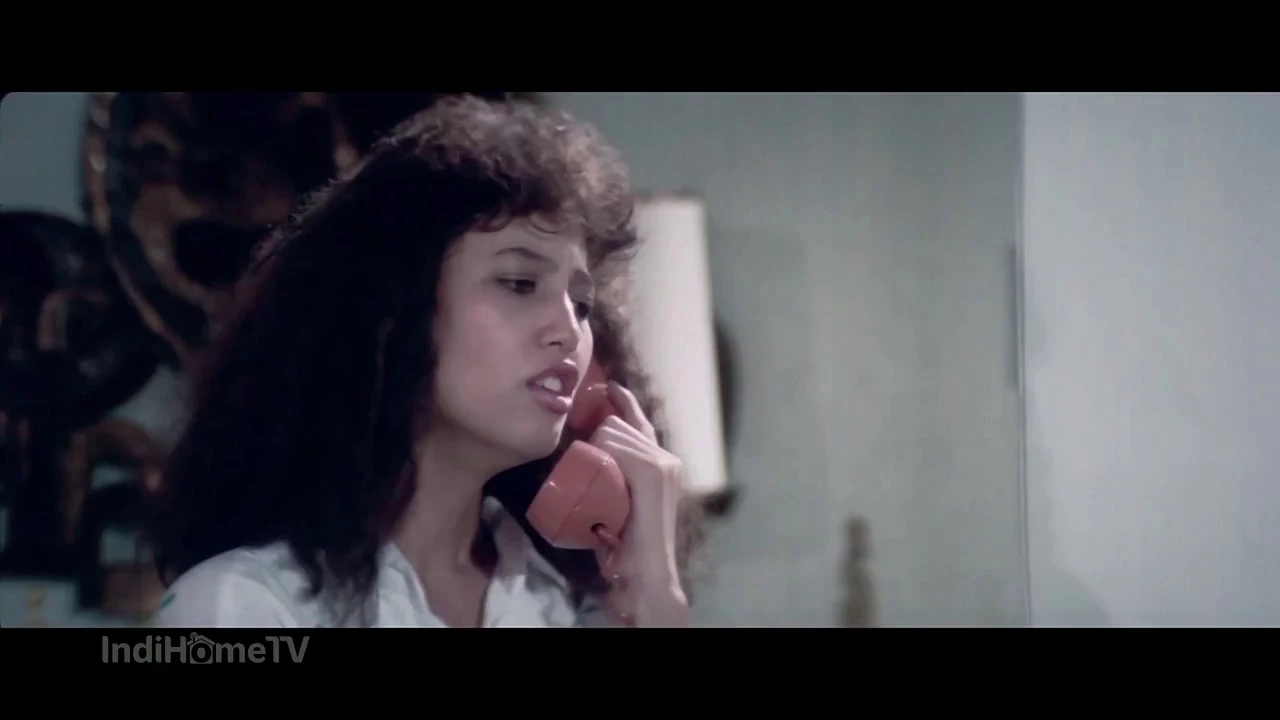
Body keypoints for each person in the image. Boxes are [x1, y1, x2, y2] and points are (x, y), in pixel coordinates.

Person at [148, 95, 705, 628]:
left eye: (581, 305)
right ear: (392, 311)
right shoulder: (241, 605)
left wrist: (657, 593)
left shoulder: (561, 606)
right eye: (519, 282)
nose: (569, 332)